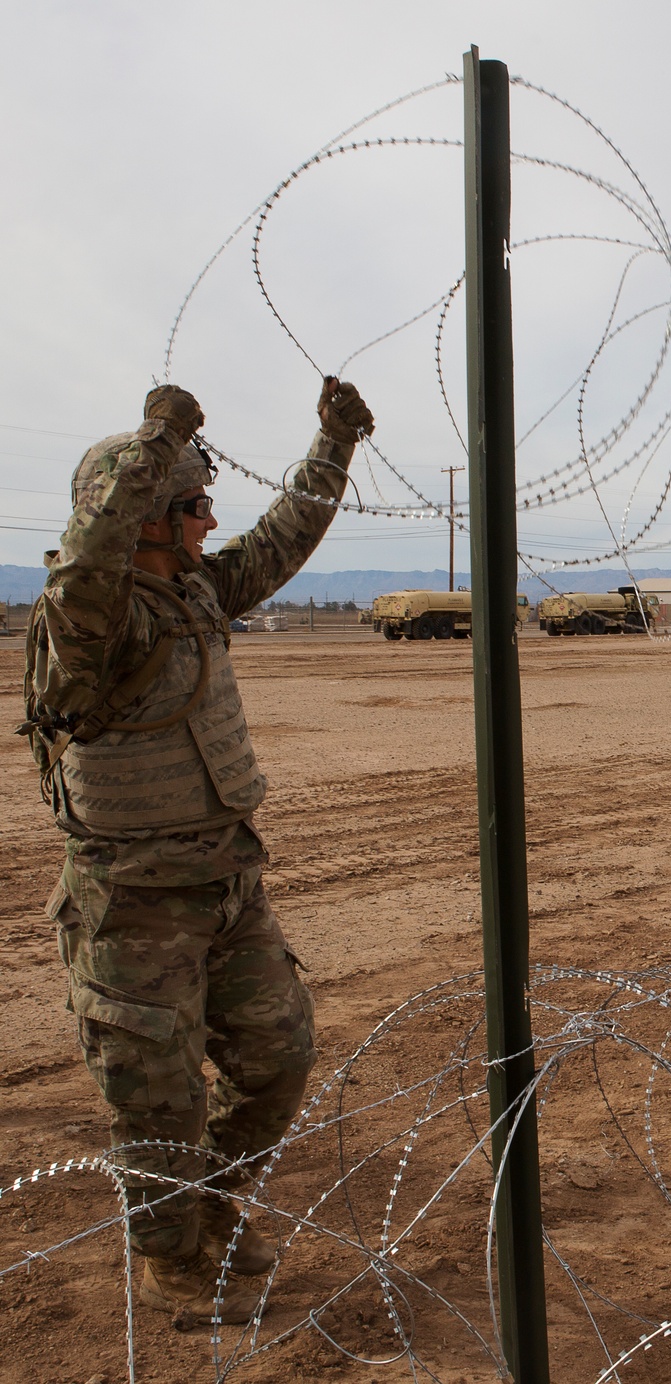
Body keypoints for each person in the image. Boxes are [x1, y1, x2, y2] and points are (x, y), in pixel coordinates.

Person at [22, 377, 374, 1324]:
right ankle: (171, 1258)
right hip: (133, 902)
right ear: (138, 515)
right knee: (158, 1100)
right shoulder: (86, 621)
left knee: (279, 1057)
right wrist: (156, 438)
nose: (210, 519)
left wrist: (330, 449)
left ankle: (210, 1201)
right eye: (191, 504)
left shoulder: (193, 591)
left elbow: (279, 541)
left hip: (225, 880)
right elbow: (92, 560)